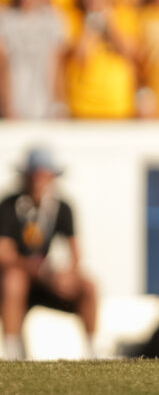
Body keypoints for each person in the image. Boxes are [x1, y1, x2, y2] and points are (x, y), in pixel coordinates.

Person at [0, 147, 98, 360]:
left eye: (44, 174)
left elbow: (76, 254)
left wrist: (65, 274)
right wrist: (37, 270)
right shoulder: (8, 205)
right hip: (14, 279)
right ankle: (12, 353)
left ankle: (92, 351)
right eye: (34, 174)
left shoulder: (62, 207)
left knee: (88, 286)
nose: (39, 180)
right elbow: (4, 254)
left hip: (46, 279)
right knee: (13, 280)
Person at [63, 0, 139, 119]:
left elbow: (129, 52)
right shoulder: (71, 17)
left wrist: (106, 16)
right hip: (81, 108)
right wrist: (92, 18)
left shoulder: (124, 14)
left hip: (118, 107)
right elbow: (79, 54)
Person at [0, 0, 67, 119]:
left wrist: (59, 106)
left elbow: (57, 66)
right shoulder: (5, 19)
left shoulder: (54, 20)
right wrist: (7, 106)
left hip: (46, 112)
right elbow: (2, 66)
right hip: (14, 113)